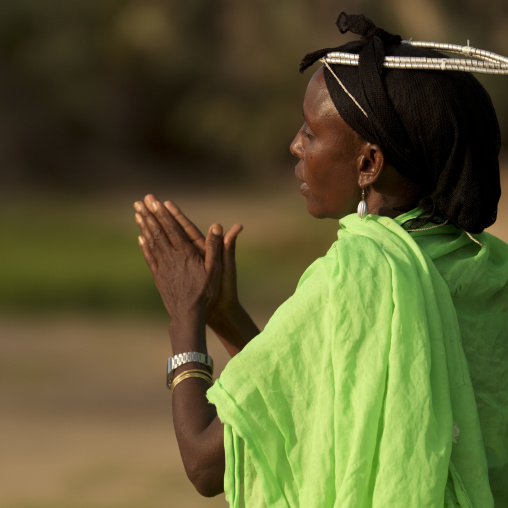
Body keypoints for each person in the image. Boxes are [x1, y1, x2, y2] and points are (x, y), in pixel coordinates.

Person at [134, 12, 508, 507]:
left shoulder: (356, 276)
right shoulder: (492, 270)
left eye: (311, 132)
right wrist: (229, 319)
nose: (295, 145)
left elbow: (206, 463)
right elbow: (317, 391)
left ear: (368, 163)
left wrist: (186, 320)